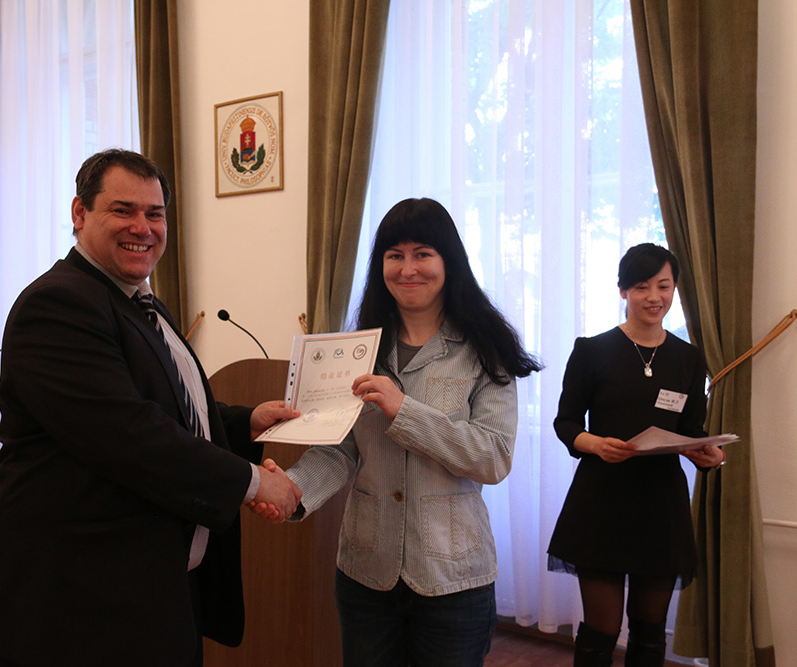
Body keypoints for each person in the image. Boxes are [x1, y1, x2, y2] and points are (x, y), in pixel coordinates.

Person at [0, 149, 301, 666]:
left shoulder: (136, 299)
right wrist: (255, 482)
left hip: (143, 591)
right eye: (122, 210)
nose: (142, 228)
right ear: (80, 213)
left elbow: (164, 404)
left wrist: (244, 422)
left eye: (155, 213)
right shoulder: (57, 304)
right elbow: (128, 434)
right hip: (78, 603)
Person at [264, 198, 542, 667]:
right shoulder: (357, 349)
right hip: (365, 571)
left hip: (454, 576)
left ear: (448, 261)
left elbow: (493, 458)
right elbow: (338, 452)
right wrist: (292, 489)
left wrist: (404, 410)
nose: (408, 268)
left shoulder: (486, 349)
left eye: (422, 254)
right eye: (395, 255)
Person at [547, 243, 726, 667]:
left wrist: (706, 452)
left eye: (664, 286)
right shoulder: (592, 350)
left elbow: (691, 430)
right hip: (601, 501)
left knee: (650, 629)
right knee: (602, 629)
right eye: (642, 286)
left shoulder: (688, 358)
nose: (654, 297)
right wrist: (596, 444)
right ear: (623, 290)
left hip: (661, 505)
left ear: (674, 289)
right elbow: (565, 423)